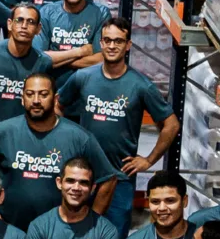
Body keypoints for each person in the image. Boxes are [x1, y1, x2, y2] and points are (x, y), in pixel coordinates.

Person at [61, 20, 179, 226]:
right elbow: (58, 104)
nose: (112, 46)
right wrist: (65, 139)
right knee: (77, 236)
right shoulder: (83, 77)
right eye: (107, 40)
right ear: (101, 43)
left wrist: (149, 160)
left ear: (128, 45)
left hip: (120, 177)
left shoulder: (141, 85)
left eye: (118, 41)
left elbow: (172, 124)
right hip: (84, 176)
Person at [0, 71, 111, 230]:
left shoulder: (80, 137)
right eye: (30, 94)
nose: (36, 101)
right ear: (22, 99)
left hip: (61, 234)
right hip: (8, 228)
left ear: (55, 98)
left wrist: (90, 224)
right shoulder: (3, 131)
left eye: (43, 94)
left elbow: (108, 179)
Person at [0, 2, 53, 137]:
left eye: (30, 22)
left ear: (38, 29)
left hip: (21, 137)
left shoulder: (43, 62)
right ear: (9, 24)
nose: (24, 26)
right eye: (19, 20)